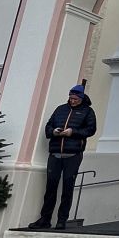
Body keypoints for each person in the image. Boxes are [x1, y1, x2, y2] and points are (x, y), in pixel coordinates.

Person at [24, 84, 98, 229]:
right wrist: (54, 131)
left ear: (81, 98)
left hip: (73, 154)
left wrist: (73, 132)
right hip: (55, 153)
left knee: (67, 187)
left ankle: (61, 220)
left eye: (75, 98)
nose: (72, 101)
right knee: (50, 187)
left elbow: (91, 130)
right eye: (71, 98)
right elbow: (48, 126)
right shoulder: (60, 109)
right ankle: (45, 219)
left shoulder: (88, 112)